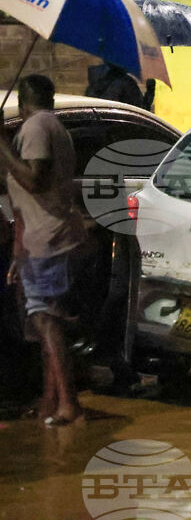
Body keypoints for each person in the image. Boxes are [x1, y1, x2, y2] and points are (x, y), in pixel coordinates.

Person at [0, 74, 87, 426]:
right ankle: (52, 402)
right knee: (43, 321)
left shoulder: (37, 126)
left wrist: (2, 145)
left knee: (46, 321)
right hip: (40, 240)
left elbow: (35, 180)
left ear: (23, 102)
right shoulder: (49, 127)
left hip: (50, 241)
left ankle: (69, 404)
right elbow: (22, 202)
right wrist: (19, 252)